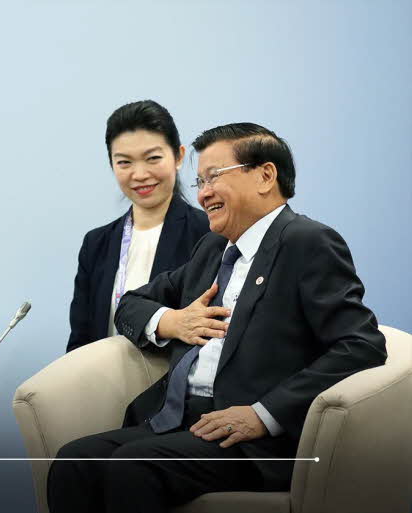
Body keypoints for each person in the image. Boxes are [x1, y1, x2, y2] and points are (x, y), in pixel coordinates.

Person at [47, 122, 388, 512]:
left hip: (248, 439)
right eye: (199, 182)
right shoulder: (212, 248)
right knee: (73, 461)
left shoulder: (307, 242)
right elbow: (133, 302)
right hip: (177, 418)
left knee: (133, 467)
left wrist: (264, 414)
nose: (203, 193)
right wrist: (169, 322)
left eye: (213, 177)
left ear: (265, 175)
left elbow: (360, 345)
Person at [67, 100, 209, 352]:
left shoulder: (208, 233)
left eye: (153, 158)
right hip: (104, 385)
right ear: (111, 164)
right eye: (124, 162)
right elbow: (81, 340)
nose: (140, 174)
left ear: (179, 156)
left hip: (171, 387)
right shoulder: (96, 244)